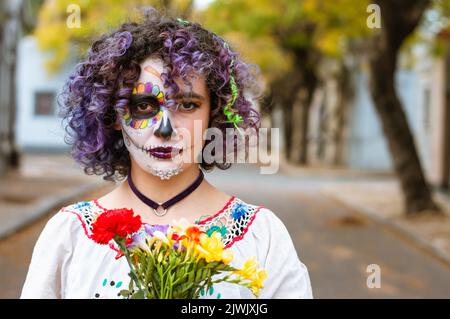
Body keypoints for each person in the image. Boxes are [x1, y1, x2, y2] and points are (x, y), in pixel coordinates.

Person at [21, 8, 313, 299]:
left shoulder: (262, 237)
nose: (165, 128)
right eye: (144, 106)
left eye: (187, 105)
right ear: (112, 115)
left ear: (215, 114)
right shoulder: (69, 237)